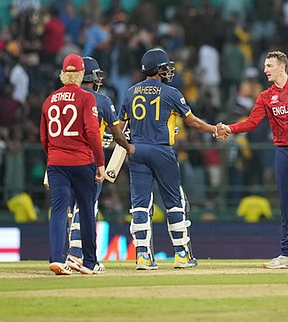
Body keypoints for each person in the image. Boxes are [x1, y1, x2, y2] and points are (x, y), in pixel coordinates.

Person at [217, 51, 288, 269]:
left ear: (282, 67)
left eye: (269, 65)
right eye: (265, 66)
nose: (265, 70)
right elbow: (251, 123)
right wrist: (230, 128)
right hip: (283, 153)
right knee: (286, 204)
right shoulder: (265, 96)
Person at [120, 48, 219, 270]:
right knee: (175, 202)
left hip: (136, 151)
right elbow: (192, 122)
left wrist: (126, 147)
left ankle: (143, 256)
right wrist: (214, 129)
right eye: (165, 67)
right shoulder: (171, 92)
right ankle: (181, 254)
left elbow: (120, 127)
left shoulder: (129, 92)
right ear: (157, 69)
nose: (168, 71)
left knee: (140, 205)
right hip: (162, 150)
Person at [65, 56, 135, 272]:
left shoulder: (62, 98)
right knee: (86, 207)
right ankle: (76, 254)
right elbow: (116, 133)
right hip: (88, 160)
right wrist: (126, 144)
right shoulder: (102, 101)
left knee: (68, 209)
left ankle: (67, 254)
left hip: (62, 157)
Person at [41, 54, 105, 275]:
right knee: (86, 210)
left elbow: (44, 137)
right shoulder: (87, 98)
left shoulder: (49, 100)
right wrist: (100, 161)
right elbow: (92, 132)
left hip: (56, 162)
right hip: (81, 161)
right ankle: (89, 262)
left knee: (58, 211)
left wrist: (53, 157)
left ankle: (57, 259)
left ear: (63, 74)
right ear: (80, 74)